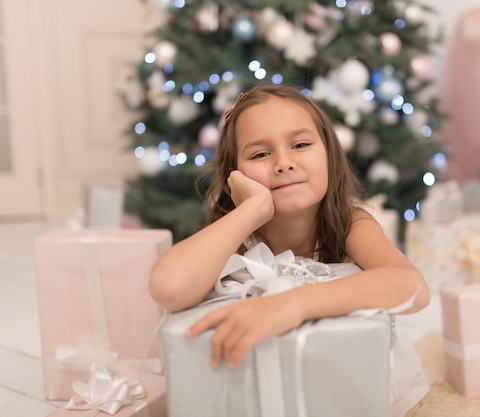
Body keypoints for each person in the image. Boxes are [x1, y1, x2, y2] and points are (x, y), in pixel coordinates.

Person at [149, 84, 431, 413]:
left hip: (339, 381)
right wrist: (250, 211)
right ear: (235, 175)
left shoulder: (352, 223)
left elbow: (413, 287)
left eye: (300, 144)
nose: (283, 163)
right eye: (260, 154)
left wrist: (291, 305)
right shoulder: (235, 233)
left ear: (328, 153)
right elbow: (167, 287)